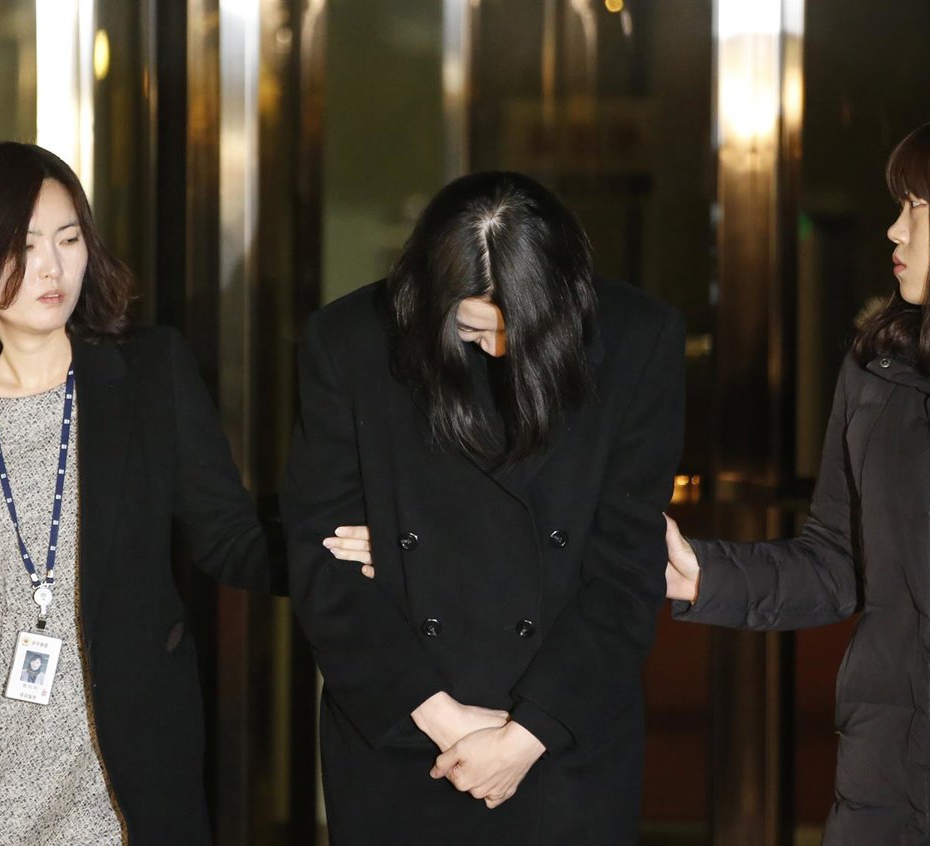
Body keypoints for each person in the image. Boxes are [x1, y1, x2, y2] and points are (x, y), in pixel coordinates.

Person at [664, 111, 930, 844]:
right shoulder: (878, 370)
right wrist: (702, 575)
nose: (894, 230)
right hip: (883, 797)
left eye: (917, 207)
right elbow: (836, 562)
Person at [0, 142, 273, 845]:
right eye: (23, 245)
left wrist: (336, 542)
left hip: (116, 784)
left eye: (68, 240)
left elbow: (229, 537)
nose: (52, 268)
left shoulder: (150, 373)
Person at [283, 171, 686, 844]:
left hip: (563, 730)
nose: (498, 348)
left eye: (520, 329)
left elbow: (624, 566)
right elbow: (320, 561)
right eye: (472, 328)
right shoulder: (351, 341)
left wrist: (526, 736)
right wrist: (440, 718)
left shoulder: (638, 340)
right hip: (404, 727)